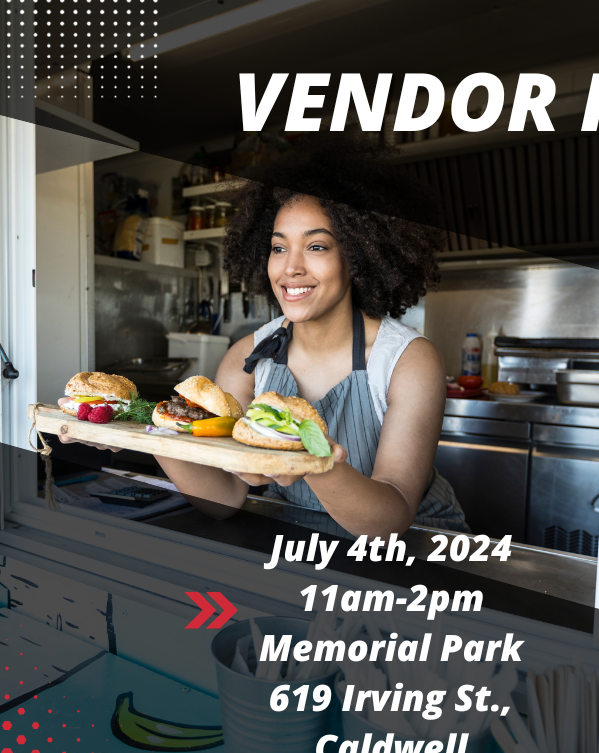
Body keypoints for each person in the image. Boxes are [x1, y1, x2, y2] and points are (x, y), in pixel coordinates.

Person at [71, 136, 467, 540]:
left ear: (358, 256)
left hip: (419, 551)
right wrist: (153, 432)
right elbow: (224, 498)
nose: (290, 268)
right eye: (279, 248)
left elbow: (389, 521)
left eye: (316, 246)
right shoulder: (248, 358)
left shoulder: (407, 359)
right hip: (302, 541)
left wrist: (312, 458)